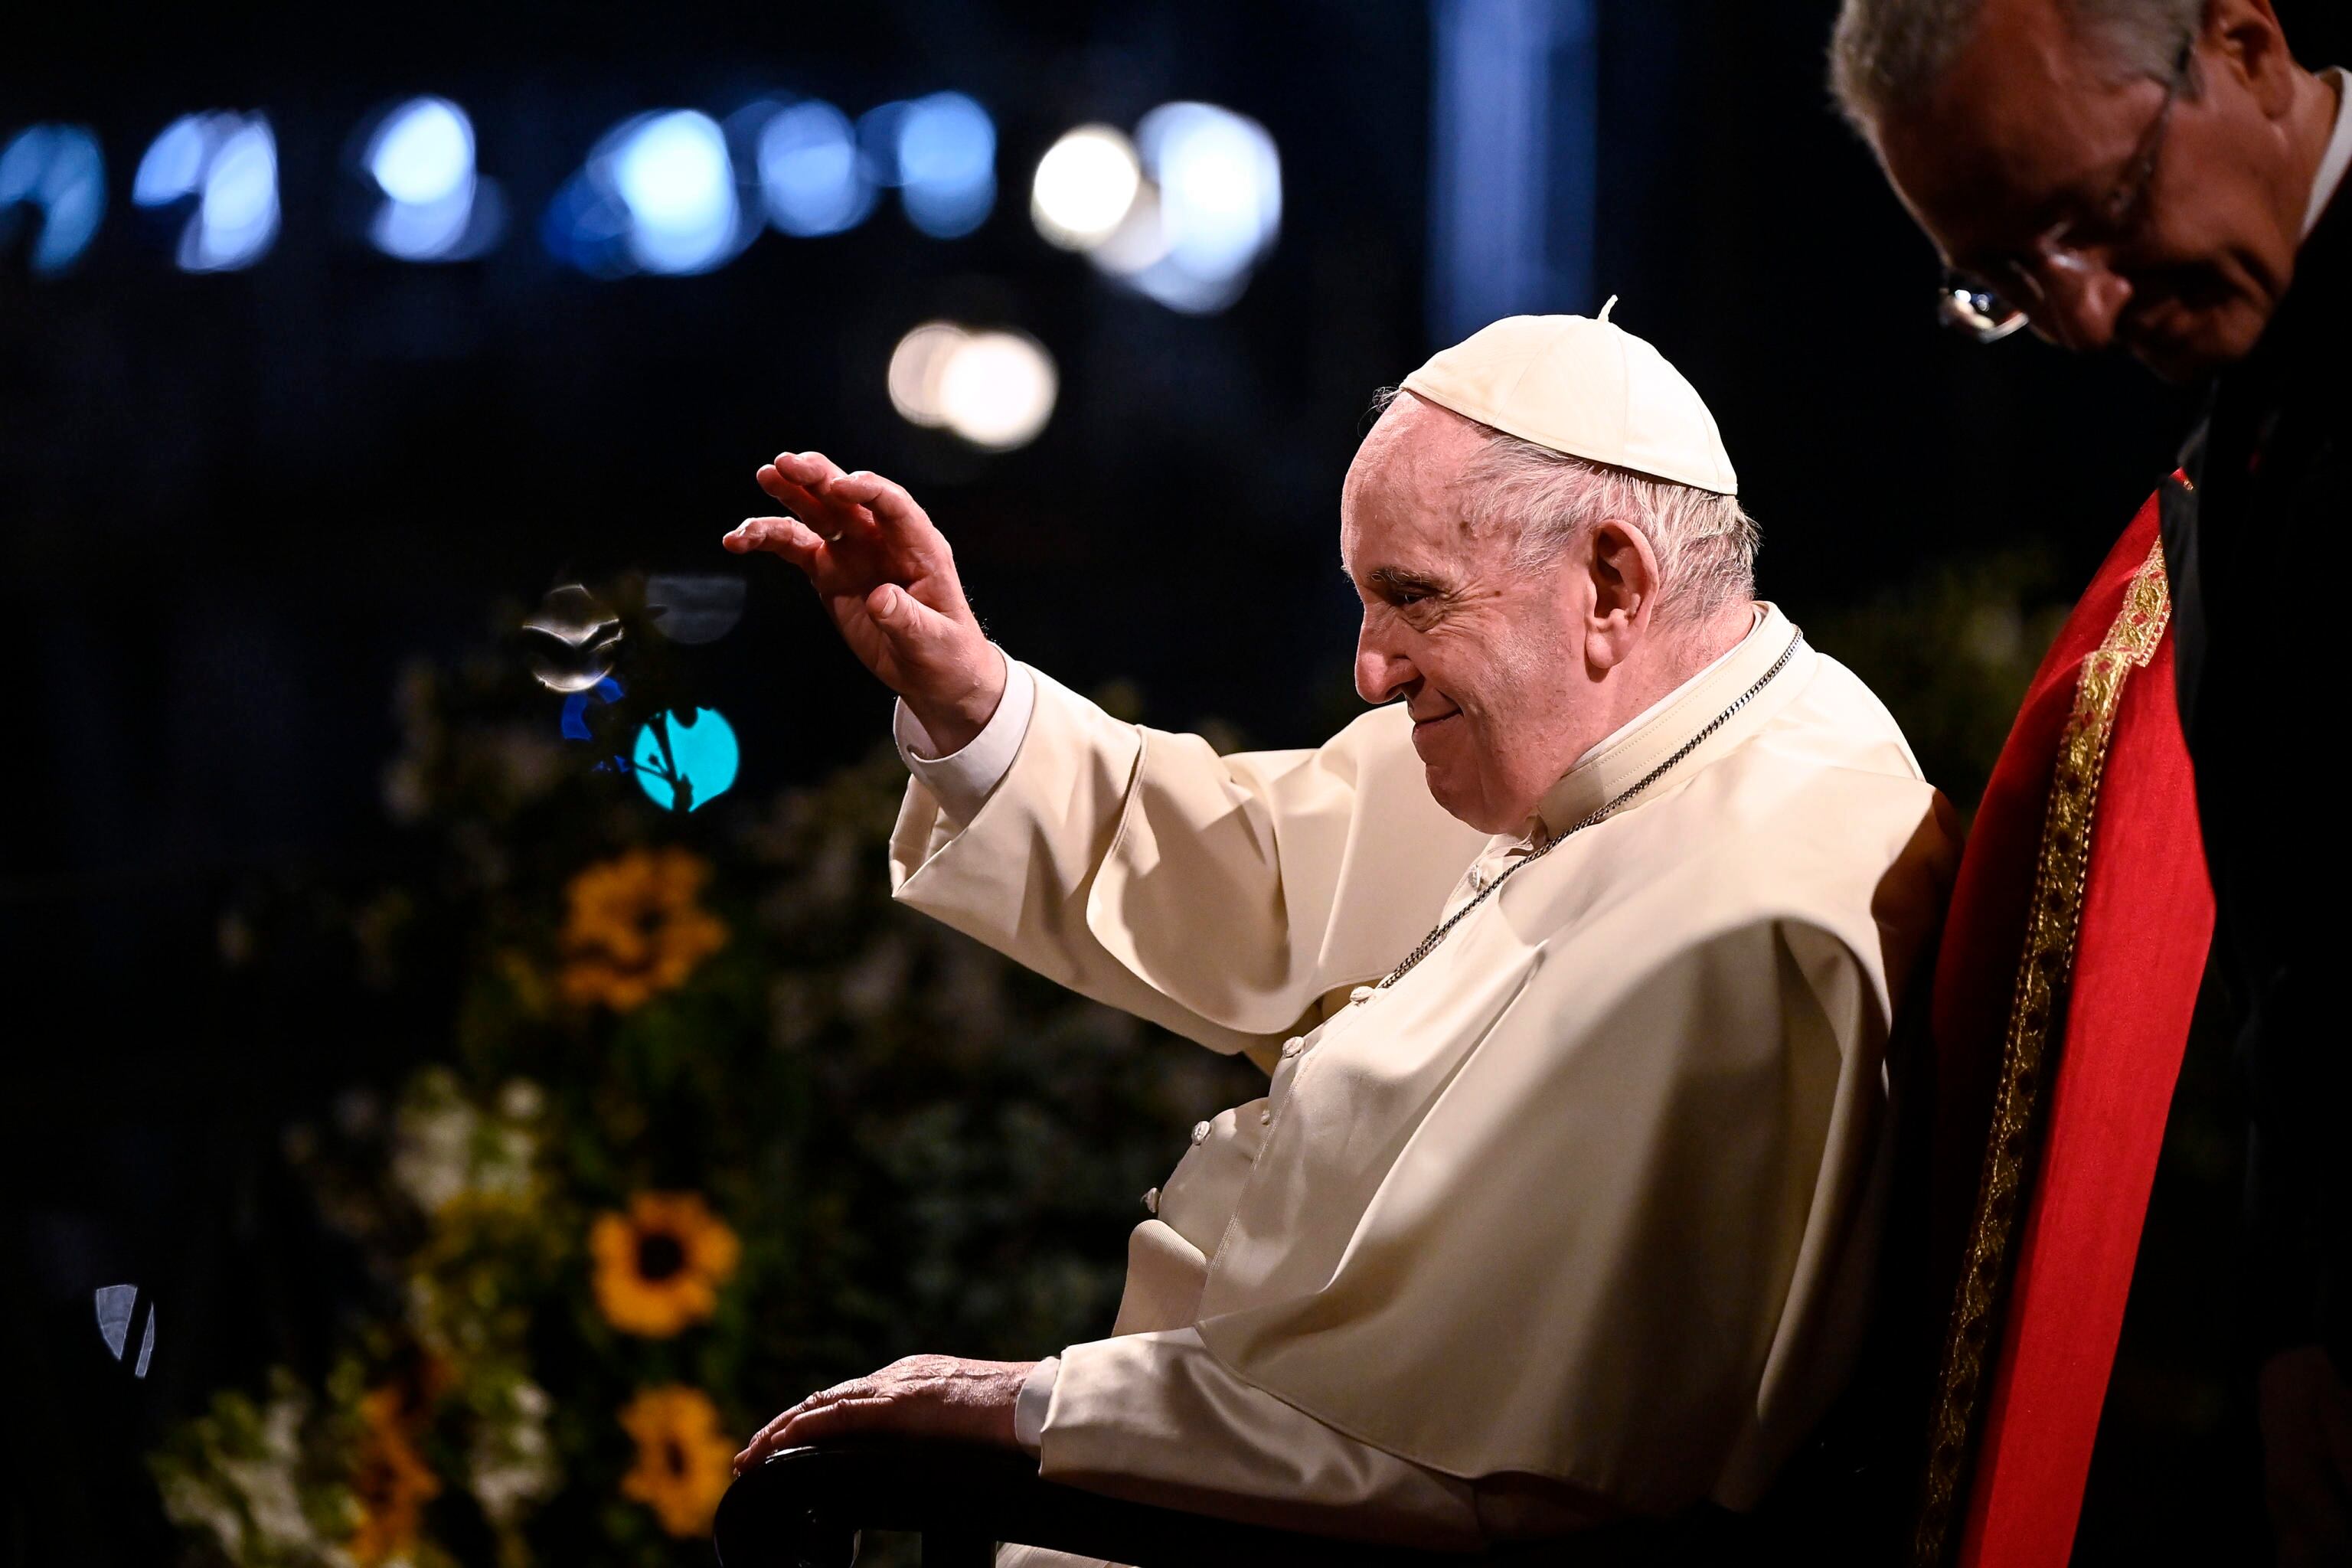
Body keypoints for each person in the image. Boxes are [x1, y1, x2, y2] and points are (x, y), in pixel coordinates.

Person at [720, 312, 1955, 1551]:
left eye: (1411, 599)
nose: (1370, 670)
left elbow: (1505, 1472)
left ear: (1614, 584)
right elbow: (1254, 874)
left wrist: (1030, 1407)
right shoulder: (1635, 737)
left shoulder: (1748, 916)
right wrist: (973, 698)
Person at [1831, 0, 2352, 1560]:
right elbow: (2300, 974)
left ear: (2246, 50)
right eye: (2003, 280)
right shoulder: (2237, 433)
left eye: (2098, 216)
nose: (2082, 308)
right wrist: (2300, 1332)